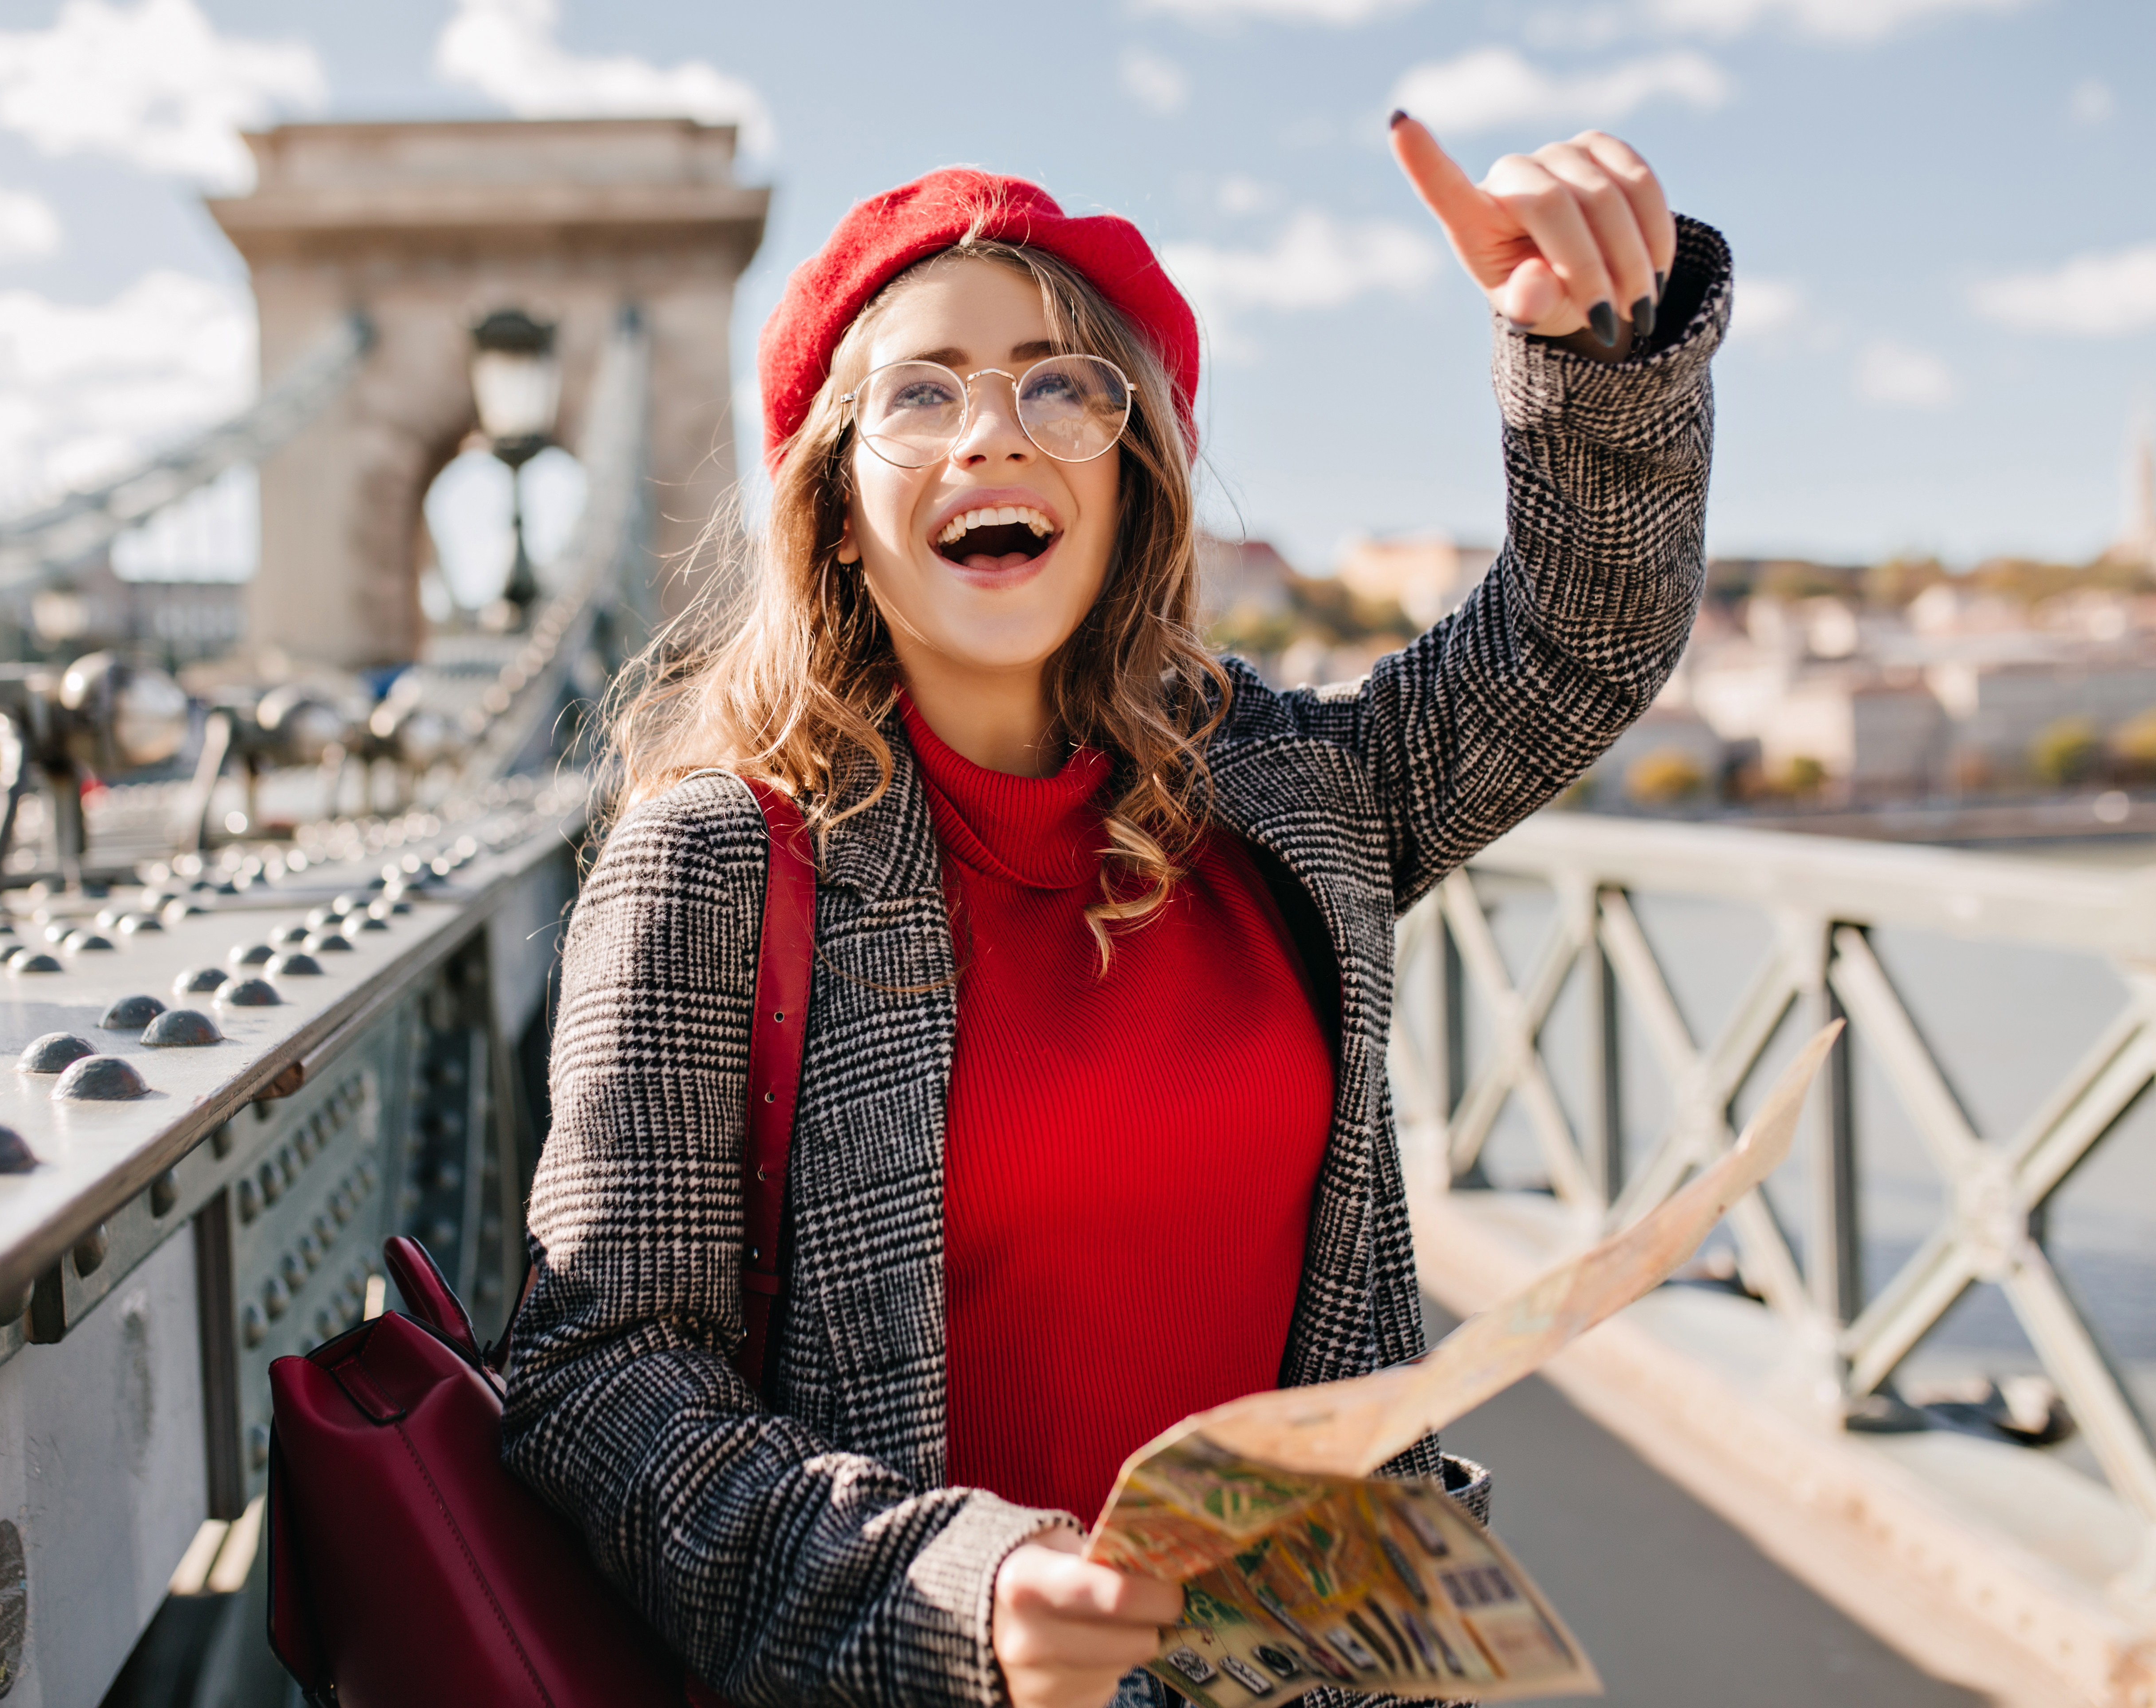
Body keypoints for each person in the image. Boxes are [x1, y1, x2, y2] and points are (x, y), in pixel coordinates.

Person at [504, 113, 1728, 1708]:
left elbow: (1585, 639)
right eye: (920, 392)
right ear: (836, 504)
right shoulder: (714, 868)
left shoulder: (1296, 798)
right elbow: (601, 1386)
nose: (990, 435)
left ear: (1131, 472)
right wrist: (968, 1592)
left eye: (1060, 385)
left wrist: (1599, 352)